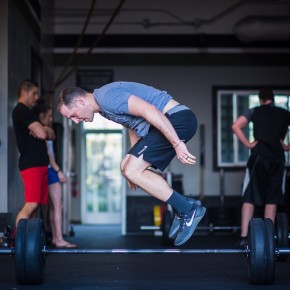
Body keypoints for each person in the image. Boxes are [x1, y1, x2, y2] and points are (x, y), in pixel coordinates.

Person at [57, 81, 206, 246]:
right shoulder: (104, 109)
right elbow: (132, 125)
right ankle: (185, 206)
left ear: (80, 101)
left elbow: (150, 111)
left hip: (176, 120)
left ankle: (188, 209)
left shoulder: (107, 98)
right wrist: (130, 165)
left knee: (132, 170)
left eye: (73, 115)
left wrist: (177, 143)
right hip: (165, 124)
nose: (76, 121)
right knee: (125, 167)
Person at [232, 88, 290, 248]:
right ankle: (268, 239)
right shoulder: (285, 113)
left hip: (258, 157)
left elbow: (236, 126)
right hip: (277, 158)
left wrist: (249, 144)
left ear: (261, 99)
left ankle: (244, 238)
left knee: (249, 196)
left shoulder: (254, 111)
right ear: (272, 99)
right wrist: (287, 146)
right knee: (272, 198)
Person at [12, 80, 55, 227]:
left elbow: (51, 134)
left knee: (36, 207)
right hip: (32, 165)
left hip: (40, 164)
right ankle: (19, 245)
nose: (37, 97)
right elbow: (43, 134)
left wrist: (42, 129)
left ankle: (30, 245)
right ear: (25, 90)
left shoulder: (29, 112)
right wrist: (43, 130)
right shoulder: (20, 110)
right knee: (31, 204)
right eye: (34, 93)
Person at [33, 101, 76, 248]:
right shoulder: (41, 130)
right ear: (41, 115)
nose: (51, 118)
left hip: (47, 169)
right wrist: (59, 171)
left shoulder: (43, 129)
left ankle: (56, 238)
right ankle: (58, 239)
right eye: (49, 115)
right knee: (58, 205)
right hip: (50, 169)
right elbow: (48, 155)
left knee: (53, 206)